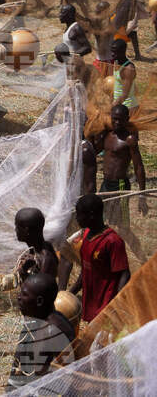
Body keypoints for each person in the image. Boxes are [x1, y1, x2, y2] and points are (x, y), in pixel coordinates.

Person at [94, 103, 147, 260]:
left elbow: (138, 167)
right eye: (114, 119)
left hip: (120, 186)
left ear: (127, 119)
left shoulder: (129, 140)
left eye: (120, 120)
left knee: (123, 228)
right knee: (99, 221)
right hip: (105, 184)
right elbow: (94, 150)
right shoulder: (107, 136)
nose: (117, 123)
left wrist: (142, 195)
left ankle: (142, 259)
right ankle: (105, 257)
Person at [7, 274, 75, 389]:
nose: (19, 297)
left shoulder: (54, 331)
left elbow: (70, 376)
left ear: (39, 301)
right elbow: (19, 363)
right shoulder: (35, 320)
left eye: (24, 294)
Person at [69, 193, 130, 323]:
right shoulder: (85, 235)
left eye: (79, 214)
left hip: (105, 304)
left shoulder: (113, 241)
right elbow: (85, 269)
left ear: (91, 215)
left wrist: (116, 303)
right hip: (91, 301)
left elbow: (124, 273)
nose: (77, 218)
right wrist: (69, 294)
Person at [14, 208, 59, 283]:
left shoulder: (45, 260)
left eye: (17, 226)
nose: (15, 230)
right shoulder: (37, 249)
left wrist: (23, 271)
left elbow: (37, 291)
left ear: (26, 230)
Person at [110, 39, 137, 109]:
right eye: (112, 51)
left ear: (122, 51)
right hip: (118, 104)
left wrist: (112, 106)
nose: (112, 54)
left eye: (115, 52)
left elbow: (125, 95)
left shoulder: (128, 69)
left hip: (127, 107)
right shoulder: (116, 62)